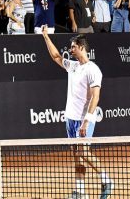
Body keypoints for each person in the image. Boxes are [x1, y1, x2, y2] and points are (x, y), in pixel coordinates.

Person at [40, 28, 113, 199]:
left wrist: (86, 121)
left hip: (84, 120)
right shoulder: (72, 66)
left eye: (73, 47)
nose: (70, 50)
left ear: (81, 47)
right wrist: (45, 36)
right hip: (70, 118)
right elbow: (56, 56)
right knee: (76, 155)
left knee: (83, 152)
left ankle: (106, 180)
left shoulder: (93, 69)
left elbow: (96, 96)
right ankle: (80, 191)